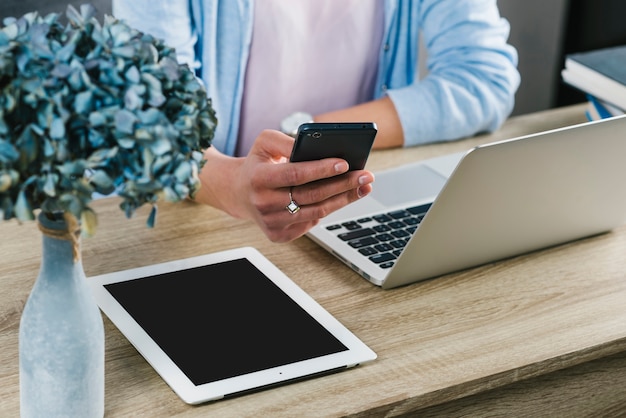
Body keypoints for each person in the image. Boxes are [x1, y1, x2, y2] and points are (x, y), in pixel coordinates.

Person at [112, 0, 520, 243]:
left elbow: (482, 80)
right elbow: (150, 118)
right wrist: (235, 184)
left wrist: (308, 137)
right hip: (197, 221)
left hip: (355, 205)